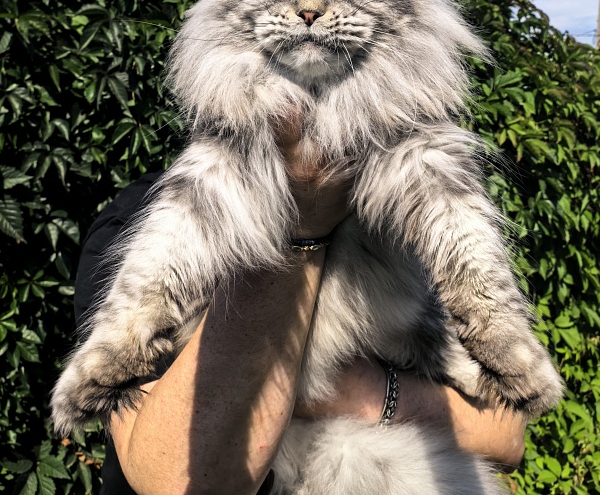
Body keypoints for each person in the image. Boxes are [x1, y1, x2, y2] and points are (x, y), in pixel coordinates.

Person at [74, 116, 527, 495]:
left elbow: (506, 434)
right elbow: (174, 478)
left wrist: (365, 394)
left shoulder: (407, 206)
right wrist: (302, 228)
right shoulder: (143, 226)